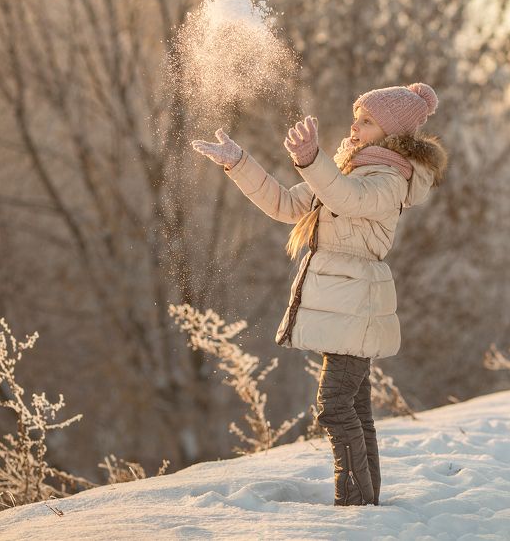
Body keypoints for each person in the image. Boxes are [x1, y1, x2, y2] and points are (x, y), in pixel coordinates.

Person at [191, 83, 448, 506]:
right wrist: (239, 163)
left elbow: (348, 200)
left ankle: (355, 505)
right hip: (344, 305)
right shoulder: (349, 169)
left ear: (392, 132)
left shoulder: (390, 178)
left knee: (333, 406)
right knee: (354, 407)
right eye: (356, 117)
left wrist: (312, 160)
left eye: (367, 121)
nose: (355, 126)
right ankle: (365, 504)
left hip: (357, 305)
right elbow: (285, 205)